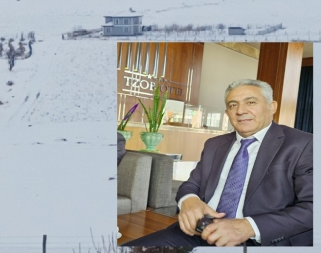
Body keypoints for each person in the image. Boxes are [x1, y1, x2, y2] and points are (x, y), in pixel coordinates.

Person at [122, 79, 312, 247]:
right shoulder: (215, 144)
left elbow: (312, 207)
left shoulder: (304, 144)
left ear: (272, 106)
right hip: (200, 233)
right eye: (233, 105)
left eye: (251, 102)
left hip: (260, 241)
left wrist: (248, 226)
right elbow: (191, 185)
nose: (241, 111)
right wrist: (189, 201)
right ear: (227, 112)